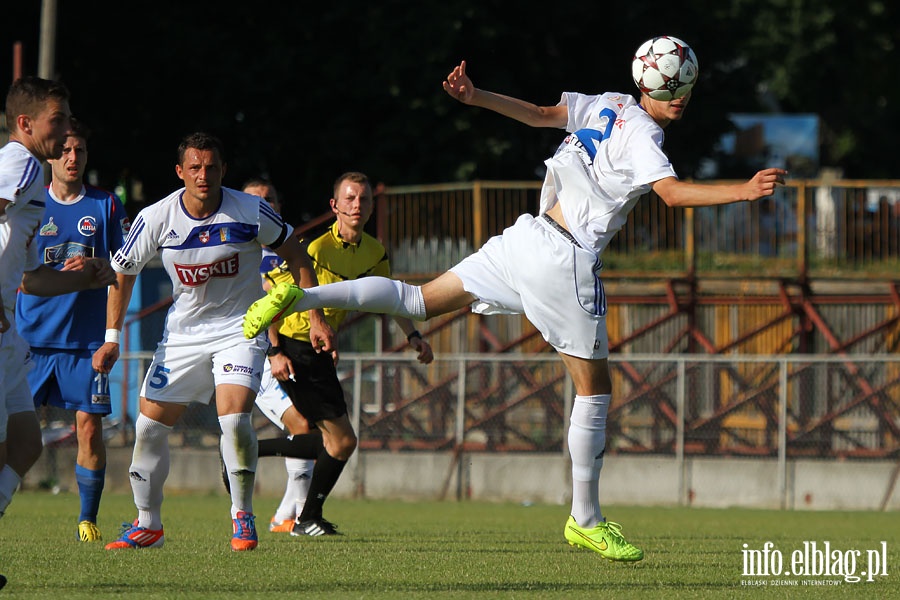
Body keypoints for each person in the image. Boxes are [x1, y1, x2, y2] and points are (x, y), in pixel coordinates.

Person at [243, 39, 787, 561]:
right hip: (564, 260)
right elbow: (670, 194)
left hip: (525, 237)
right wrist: (743, 189)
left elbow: (539, 114)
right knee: (594, 391)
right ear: (682, 92)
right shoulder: (645, 135)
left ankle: (299, 296)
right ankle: (587, 520)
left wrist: (475, 96)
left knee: (416, 300)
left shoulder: (608, 104)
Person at [92, 132, 334, 551]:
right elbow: (123, 272)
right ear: (180, 172)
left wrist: (315, 316)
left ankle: (242, 516)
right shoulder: (156, 218)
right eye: (195, 167)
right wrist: (112, 336)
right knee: (148, 427)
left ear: (223, 170)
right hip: (182, 335)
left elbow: (296, 254)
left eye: (212, 167)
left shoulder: (250, 210)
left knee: (234, 417)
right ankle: (148, 524)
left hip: (239, 329)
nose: (204, 175)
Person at [254, 171, 433, 537]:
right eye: (349, 199)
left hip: (319, 349)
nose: (357, 205)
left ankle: (248, 458)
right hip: (295, 346)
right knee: (341, 440)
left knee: (331, 439)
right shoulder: (314, 250)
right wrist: (275, 350)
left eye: (364, 199)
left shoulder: (374, 251)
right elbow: (273, 299)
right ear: (334, 206)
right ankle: (305, 517)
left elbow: (391, 298)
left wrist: (413, 335)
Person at [1, 77, 117, 530]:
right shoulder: (22, 165)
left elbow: (30, 280)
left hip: (11, 333)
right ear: (27, 124)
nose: (67, 128)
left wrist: (84, 280)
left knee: (26, 444)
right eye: (58, 119)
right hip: (10, 333)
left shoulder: (29, 182)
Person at [240, 177, 316, 533]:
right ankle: (300, 516)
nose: (262, 206)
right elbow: (262, 303)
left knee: (308, 429)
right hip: (259, 358)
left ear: (278, 207)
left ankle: (287, 516)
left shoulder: (286, 253)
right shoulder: (238, 252)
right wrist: (273, 350)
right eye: (253, 200)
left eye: (268, 200)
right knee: (301, 426)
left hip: (292, 354)